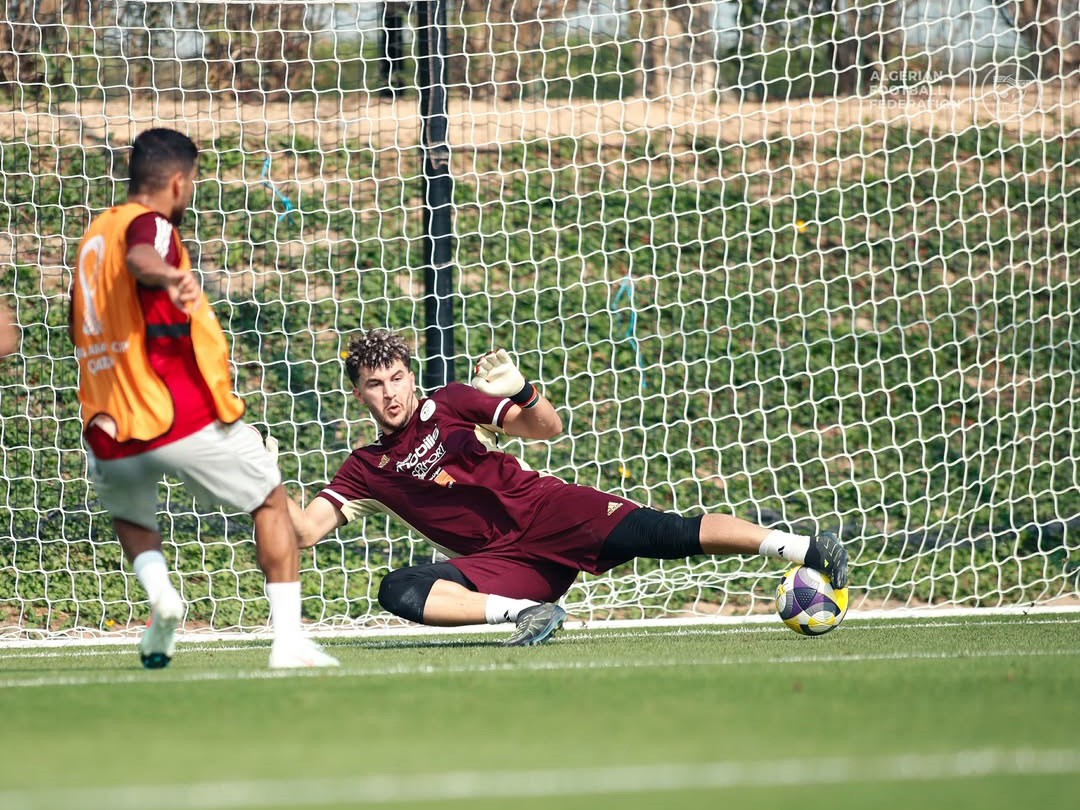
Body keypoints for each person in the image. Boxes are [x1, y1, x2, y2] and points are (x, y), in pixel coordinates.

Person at [283, 329, 849, 646]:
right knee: (398, 590)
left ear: (411, 374)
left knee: (666, 533)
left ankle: (804, 548)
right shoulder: (365, 466)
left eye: (398, 377)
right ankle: (524, 614)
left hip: (548, 509)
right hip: (499, 564)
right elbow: (305, 531)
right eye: (375, 385)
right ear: (358, 395)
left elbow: (547, 430)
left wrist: (524, 391)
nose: (390, 392)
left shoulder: (452, 402)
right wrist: (265, 484)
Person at [69, 128, 338, 669]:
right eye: (190, 183)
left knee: (131, 515)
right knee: (269, 499)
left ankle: (162, 594)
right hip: (174, 410)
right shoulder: (152, 225)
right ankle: (288, 641)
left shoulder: (92, 236)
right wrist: (170, 276)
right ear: (177, 181)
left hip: (105, 423)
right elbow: (145, 255)